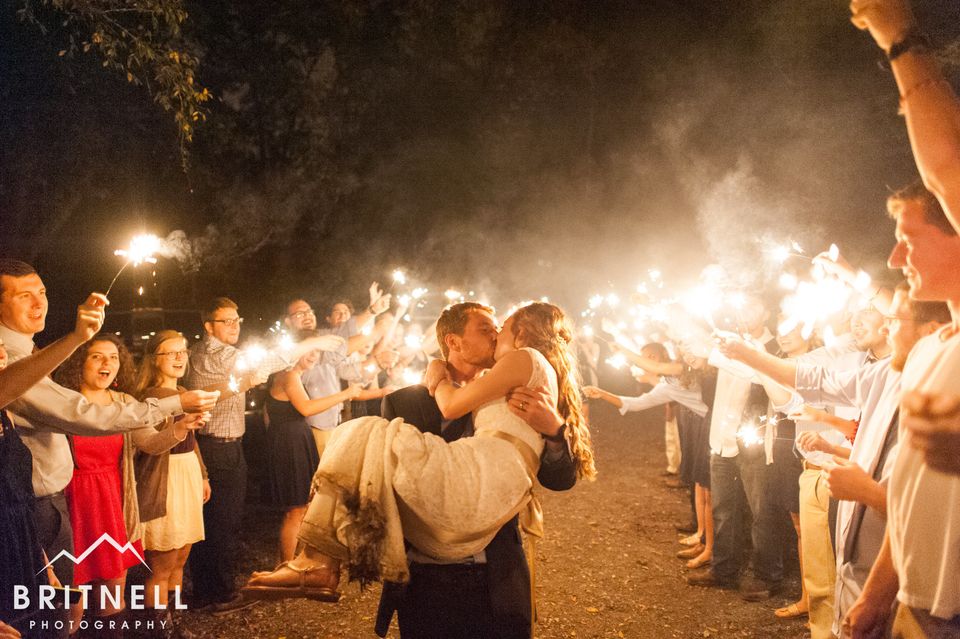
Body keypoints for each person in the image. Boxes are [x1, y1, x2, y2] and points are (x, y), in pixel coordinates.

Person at [244, 302, 589, 639]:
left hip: (495, 570)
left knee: (358, 432)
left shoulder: (519, 389)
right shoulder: (404, 400)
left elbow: (560, 479)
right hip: (427, 577)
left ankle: (318, 560)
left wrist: (556, 432)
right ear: (454, 342)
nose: (497, 333)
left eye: (500, 328)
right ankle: (320, 560)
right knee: (361, 436)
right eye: (486, 329)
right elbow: (381, 484)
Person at [0, 259, 218, 603]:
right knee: (56, 609)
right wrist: (176, 404)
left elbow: (145, 439)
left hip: (68, 503)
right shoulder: (8, 356)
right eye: (24, 295)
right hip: (40, 504)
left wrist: (179, 425)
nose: (39, 303)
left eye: (41, 292)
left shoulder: (30, 351)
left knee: (74, 603)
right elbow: (81, 415)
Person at [845, 185, 960, 637]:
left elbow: (945, 162)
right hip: (912, 604)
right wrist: (876, 594)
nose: (895, 258)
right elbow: (911, 498)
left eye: (909, 240)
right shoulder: (926, 351)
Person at [52, 334, 205, 637]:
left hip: (112, 499)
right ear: (79, 362)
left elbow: (149, 442)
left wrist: (178, 428)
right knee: (73, 598)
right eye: (97, 356)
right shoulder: (64, 403)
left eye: (114, 357)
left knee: (113, 593)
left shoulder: (125, 403)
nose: (107, 363)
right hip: (73, 503)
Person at [0, 297, 111, 638]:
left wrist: (47, 568)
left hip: (25, 561)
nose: (3, 356)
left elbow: (16, 503)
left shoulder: (4, 420)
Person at [686, 294, 782, 602]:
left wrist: (721, 353)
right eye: (742, 307)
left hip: (755, 439)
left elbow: (759, 374)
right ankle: (724, 570)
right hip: (723, 437)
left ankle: (768, 576)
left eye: (754, 306)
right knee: (723, 508)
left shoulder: (773, 347)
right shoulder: (728, 342)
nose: (746, 313)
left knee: (761, 511)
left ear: (766, 311)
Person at [584, 344, 714, 569]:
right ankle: (703, 538)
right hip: (700, 425)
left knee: (709, 490)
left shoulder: (683, 369)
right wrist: (603, 394)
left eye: (648, 358)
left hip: (712, 425)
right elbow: (634, 404)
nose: (644, 363)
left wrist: (621, 348)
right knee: (700, 484)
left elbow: (654, 368)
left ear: (659, 356)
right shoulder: (665, 384)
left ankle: (711, 547)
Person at [133, 330, 212, 626]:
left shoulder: (184, 394)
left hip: (188, 473)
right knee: (162, 565)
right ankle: (156, 628)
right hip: (164, 480)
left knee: (181, 559)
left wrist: (203, 474)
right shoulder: (150, 399)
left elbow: (192, 439)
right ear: (155, 360)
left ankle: (173, 621)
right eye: (171, 353)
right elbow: (151, 443)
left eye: (183, 352)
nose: (180, 358)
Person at [263, 332, 362, 563]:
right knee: (295, 510)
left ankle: (289, 562)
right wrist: (346, 393)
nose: (313, 356)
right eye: (310, 349)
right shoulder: (288, 375)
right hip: (290, 443)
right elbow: (306, 408)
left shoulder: (294, 374)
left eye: (318, 351)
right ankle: (287, 566)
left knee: (303, 506)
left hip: (296, 439)